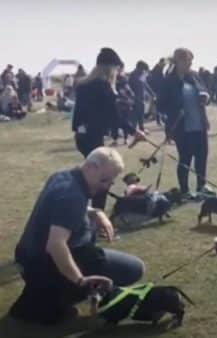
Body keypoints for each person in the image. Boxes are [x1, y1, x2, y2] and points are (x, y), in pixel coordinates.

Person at [9, 147, 145, 325]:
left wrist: (95, 212)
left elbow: (60, 209)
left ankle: (49, 297)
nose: (106, 186)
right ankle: (56, 297)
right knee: (134, 269)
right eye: (104, 179)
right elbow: (56, 245)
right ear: (90, 167)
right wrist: (81, 280)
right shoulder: (72, 195)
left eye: (111, 182)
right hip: (45, 263)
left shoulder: (64, 176)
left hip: (28, 257)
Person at [72, 47, 141, 210]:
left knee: (94, 176)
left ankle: (90, 214)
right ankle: (96, 219)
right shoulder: (104, 87)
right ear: (110, 68)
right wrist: (134, 131)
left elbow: (78, 116)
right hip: (93, 137)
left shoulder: (83, 85)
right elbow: (115, 117)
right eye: (116, 69)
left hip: (82, 137)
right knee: (103, 179)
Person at [159, 48, 215, 199]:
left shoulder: (194, 76)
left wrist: (205, 97)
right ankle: (184, 190)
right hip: (181, 126)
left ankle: (201, 186)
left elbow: (204, 91)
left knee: (201, 156)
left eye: (191, 61)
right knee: (185, 158)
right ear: (177, 61)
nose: (190, 63)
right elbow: (161, 105)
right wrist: (176, 109)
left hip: (199, 124)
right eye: (187, 61)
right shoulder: (169, 81)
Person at [129, 61, 151, 133]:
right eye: (143, 69)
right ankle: (133, 130)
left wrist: (152, 94)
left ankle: (142, 128)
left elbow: (146, 85)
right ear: (139, 68)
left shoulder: (142, 74)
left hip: (142, 98)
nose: (143, 71)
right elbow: (130, 87)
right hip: (135, 98)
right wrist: (133, 97)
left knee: (141, 114)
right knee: (135, 115)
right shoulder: (133, 75)